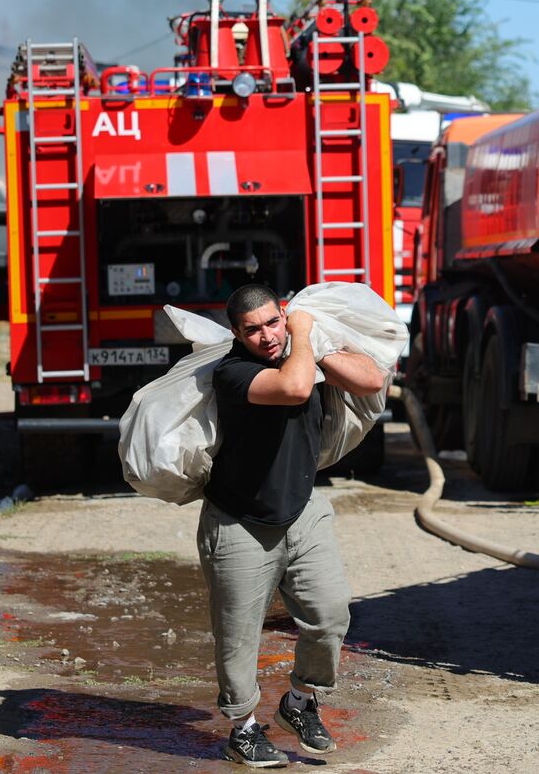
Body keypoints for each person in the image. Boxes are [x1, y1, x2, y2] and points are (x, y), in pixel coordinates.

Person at [199, 283, 386, 767]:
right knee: (239, 635)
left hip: (302, 512)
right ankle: (242, 730)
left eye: (272, 322)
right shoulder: (233, 372)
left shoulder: (306, 351)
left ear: (283, 314)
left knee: (331, 615)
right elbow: (296, 387)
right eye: (252, 329)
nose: (266, 336)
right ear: (237, 335)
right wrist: (302, 334)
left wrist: (315, 345)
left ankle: (299, 703)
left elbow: (371, 380)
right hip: (240, 522)